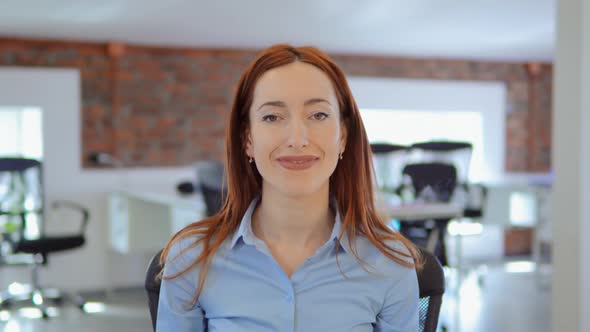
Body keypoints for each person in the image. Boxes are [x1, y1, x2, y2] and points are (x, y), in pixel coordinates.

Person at [156, 44, 423, 332]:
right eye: (272, 117)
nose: (297, 138)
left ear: (343, 136)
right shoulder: (192, 258)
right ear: (247, 139)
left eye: (318, 115)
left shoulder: (390, 262)